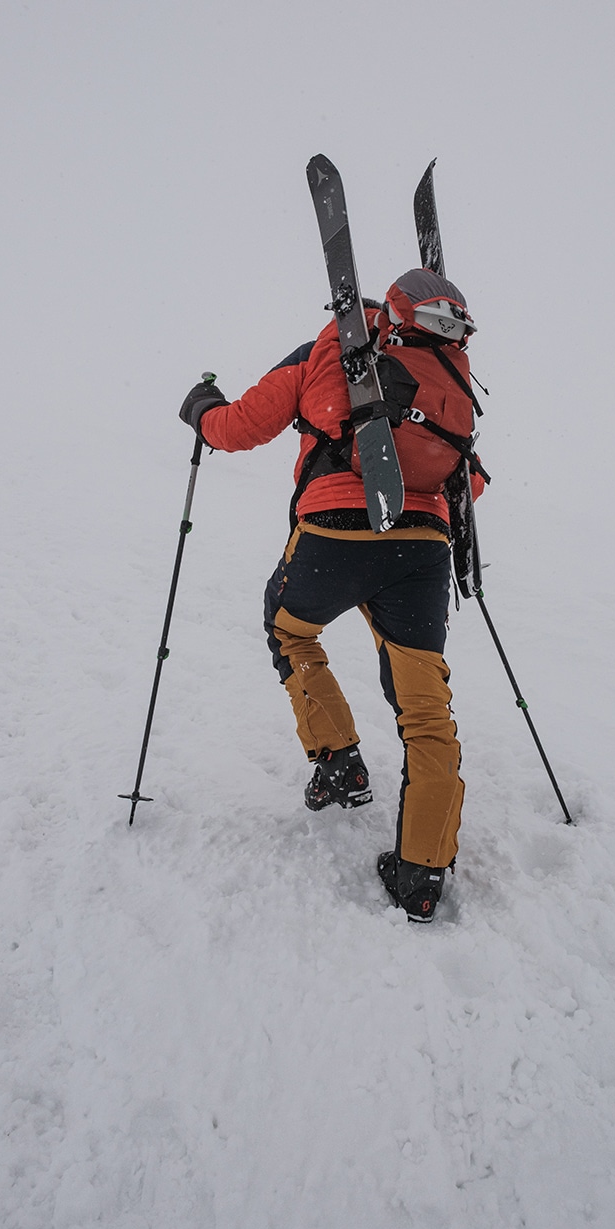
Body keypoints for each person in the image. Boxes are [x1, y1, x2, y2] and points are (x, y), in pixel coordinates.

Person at [179, 268, 485, 923]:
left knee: (291, 630)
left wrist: (201, 410)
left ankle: (340, 759)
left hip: (335, 530)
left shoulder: (329, 345)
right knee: (427, 716)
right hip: (422, 547)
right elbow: (470, 483)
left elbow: (239, 427)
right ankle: (423, 873)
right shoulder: (447, 370)